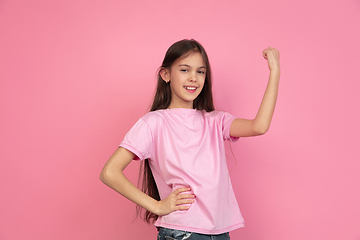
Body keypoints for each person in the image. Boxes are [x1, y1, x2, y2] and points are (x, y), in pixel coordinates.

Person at [100, 39, 280, 240]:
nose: (193, 78)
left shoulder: (215, 121)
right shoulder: (153, 123)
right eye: (185, 70)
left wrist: (275, 73)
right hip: (181, 232)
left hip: (220, 233)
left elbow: (259, 126)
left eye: (200, 72)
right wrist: (157, 206)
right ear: (165, 75)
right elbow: (109, 172)